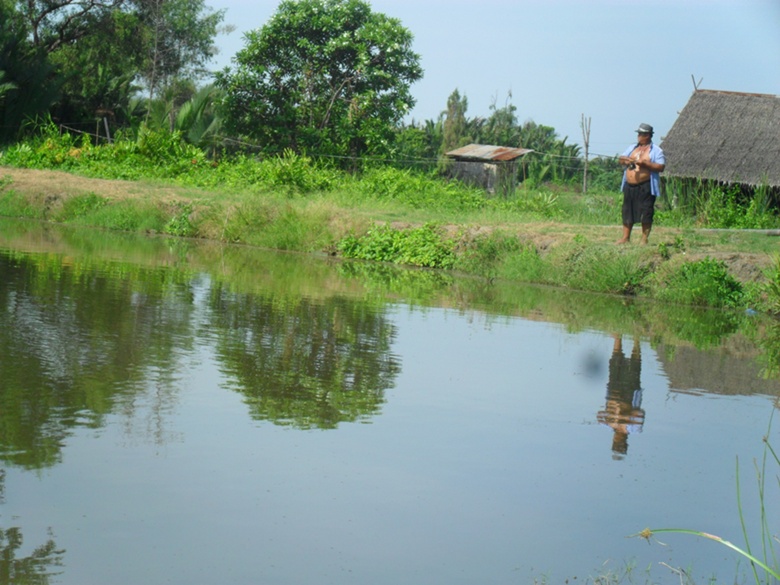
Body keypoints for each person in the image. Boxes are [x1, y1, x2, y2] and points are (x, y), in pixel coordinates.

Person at [616, 123, 666, 245]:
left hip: (645, 185)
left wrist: (645, 164)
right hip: (630, 185)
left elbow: (660, 167)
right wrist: (626, 160)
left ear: (648, 135)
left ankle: (644, 239)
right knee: (627, 210)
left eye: (641, 134)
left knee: (646, 211)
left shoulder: (656, 151)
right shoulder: (633, 148)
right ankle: (625, 237)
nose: (638, 136)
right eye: (638, 134)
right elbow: (621, 159)